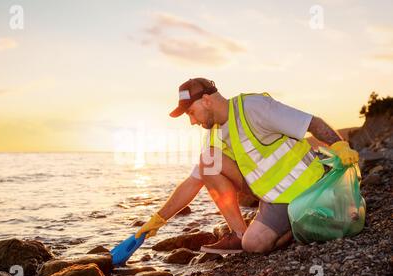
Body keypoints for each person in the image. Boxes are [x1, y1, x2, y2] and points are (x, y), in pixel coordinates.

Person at [135, 78, 359, 254]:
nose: (192, 121)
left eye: (191, 113)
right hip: (274, 199)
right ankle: (241, 233)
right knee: (251, 243)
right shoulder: (213, 136)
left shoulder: (253, 107)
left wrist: (339, 145)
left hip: (308, 187)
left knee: (260, 242)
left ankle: (298, 220)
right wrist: (157, 220)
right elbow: (193, 182)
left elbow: (312, 123)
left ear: (206, 100)